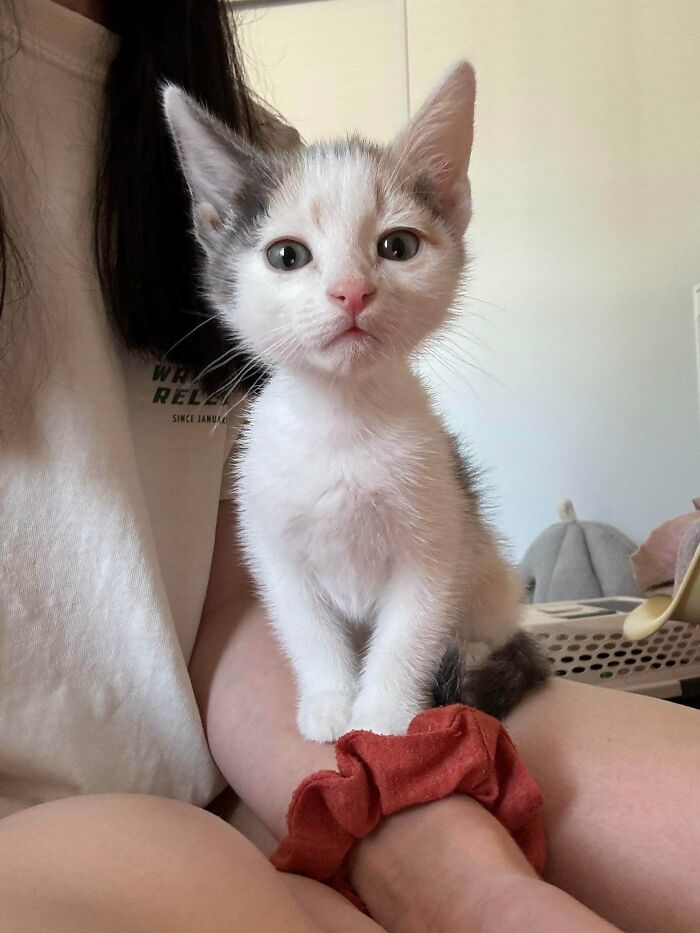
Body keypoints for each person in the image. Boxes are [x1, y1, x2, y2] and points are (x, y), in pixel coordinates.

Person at [1, 1, 698, 930]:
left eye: (394, 247)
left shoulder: (247, 139)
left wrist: (439, 854)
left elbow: (234, 599)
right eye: (292, 257)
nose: (347, 288)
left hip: (248, 751)